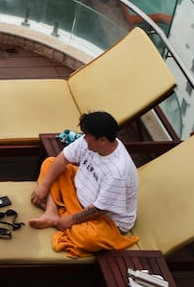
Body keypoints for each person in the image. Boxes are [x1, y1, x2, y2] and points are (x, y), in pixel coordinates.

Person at [27, 110, 140, 257]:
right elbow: (63, 158)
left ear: (102, 140)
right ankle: (51, 212)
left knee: (89, 239)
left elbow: (99, 209)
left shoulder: (117, 173)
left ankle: (60, 211)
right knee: (51, 164)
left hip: (104, 218)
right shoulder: (91, 141)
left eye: (87, 136)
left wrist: (70, 220)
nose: (84, 138)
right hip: (80, 192)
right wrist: (44, 186)